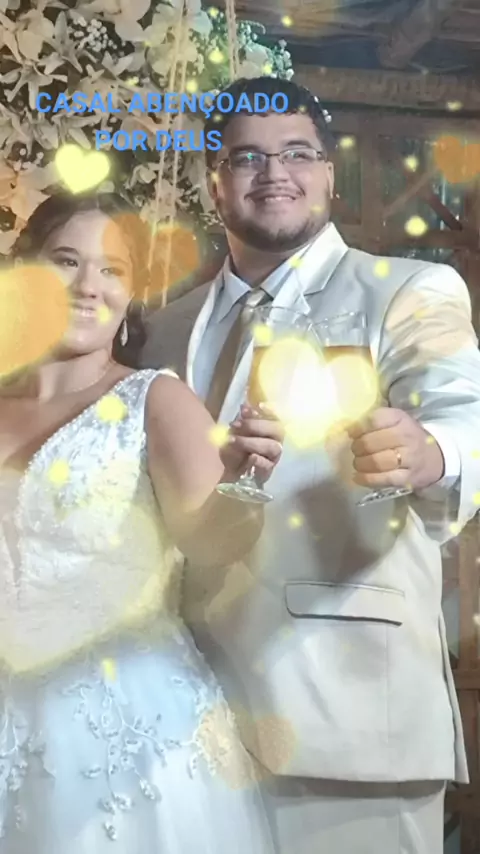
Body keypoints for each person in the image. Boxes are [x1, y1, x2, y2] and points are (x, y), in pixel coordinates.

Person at [139, 76, 480, 854]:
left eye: (297, 153)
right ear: (214, 181)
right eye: (247, 158)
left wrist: (431, 451)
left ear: (329, 172)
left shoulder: (408, 291)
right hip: (180, 731)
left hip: (350, 713)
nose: (275, 173)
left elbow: (469, 414)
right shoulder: (163, 330)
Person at [0, 190, 284, 853]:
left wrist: (243, 483)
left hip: (118, 723)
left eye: (112, 269)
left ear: (132, 294)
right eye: (66, 260)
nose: (86, 285)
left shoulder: (155, 399)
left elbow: (210, 543)